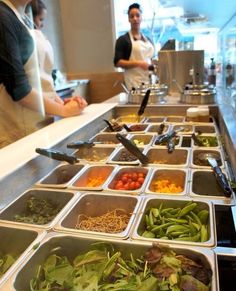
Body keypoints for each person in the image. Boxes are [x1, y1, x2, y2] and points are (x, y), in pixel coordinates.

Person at [0, 0, 87, 148]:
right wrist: (64, 110)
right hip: (19, 133)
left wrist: (59, 101)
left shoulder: (23, 18)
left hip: (38, 126)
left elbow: (36, 77)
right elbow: (20, 90)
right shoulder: (3, 17)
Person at [113, 3, 155, 90]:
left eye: (137, 15)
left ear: (141, 18)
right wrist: (139, 63)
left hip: (150, 82)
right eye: (132, 16)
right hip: (133, 83)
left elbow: (151, 59)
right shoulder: (123, 40)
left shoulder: (148, 40)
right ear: (129, 19)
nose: (135, 18)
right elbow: (117, 62)